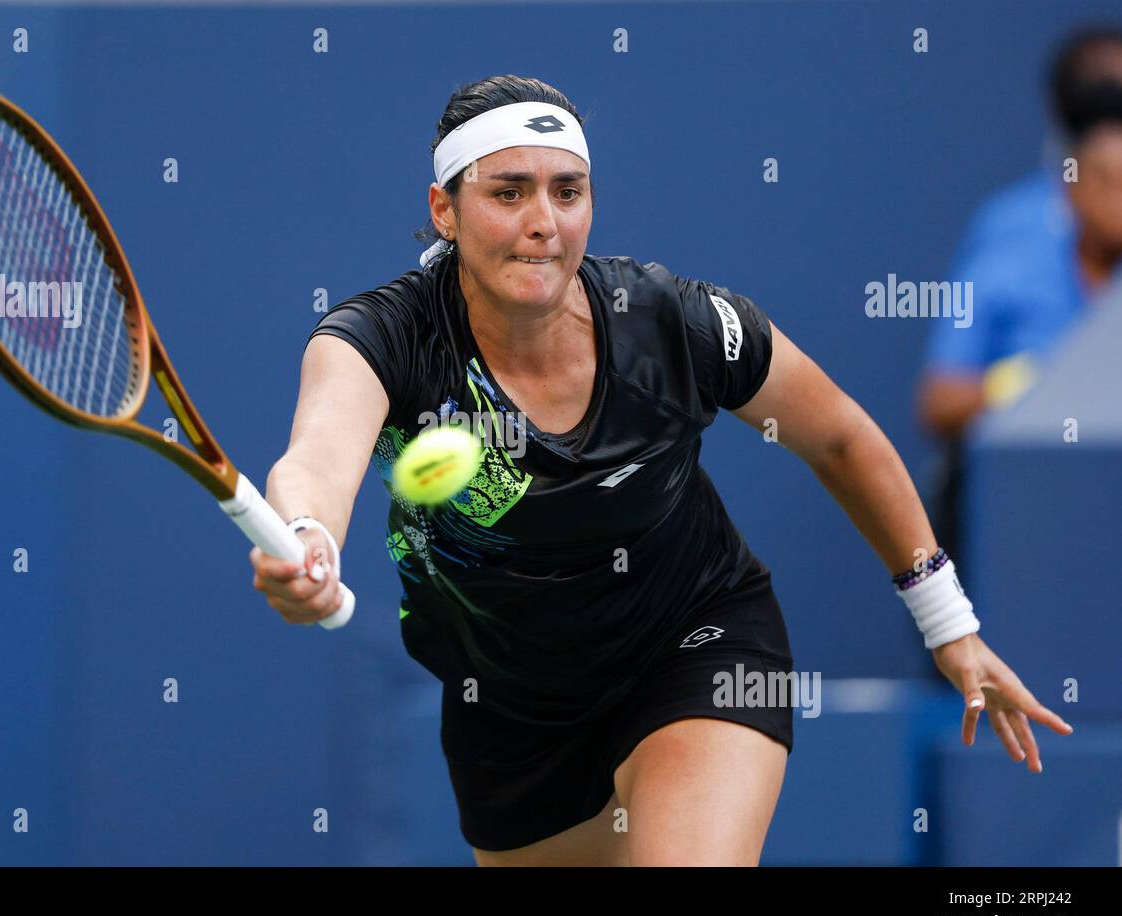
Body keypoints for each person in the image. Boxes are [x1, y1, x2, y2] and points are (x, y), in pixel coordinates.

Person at [251, 75, 1072, 867]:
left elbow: (839, 438)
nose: (544, 222)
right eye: (508, 193)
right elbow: (317, 459)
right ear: (445, 211)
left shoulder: (672, 320)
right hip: (510, 703)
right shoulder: (381, 338)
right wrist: (306, 537)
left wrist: (947, 623)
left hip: (694, 640)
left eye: (567, 192)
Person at [916, 26, 1122, 569]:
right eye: (1108, 180)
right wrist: (1039, 386)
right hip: (1023, 525)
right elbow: (940, 402)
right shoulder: (1009, 234)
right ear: (1071, 184)